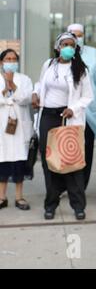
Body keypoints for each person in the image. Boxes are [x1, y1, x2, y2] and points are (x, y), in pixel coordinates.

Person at [33, 32, 93, 220]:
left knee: (71, 161)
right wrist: (35, 94)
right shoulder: (49, 65)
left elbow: (88, 96)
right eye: (65, 44)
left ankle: (78, 205)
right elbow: (40, 83)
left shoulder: (81, 69)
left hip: (68, 117)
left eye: (72, 45)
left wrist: (73, 109)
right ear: (58, 47)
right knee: (50, 161)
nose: (68, 47)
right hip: (48, 117)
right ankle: (51, 203)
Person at [67, 23, 96, 190]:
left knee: (87, 148)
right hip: (70, 110)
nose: (77, 37)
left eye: (80, 34)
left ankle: (82, 185)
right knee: (68, 147)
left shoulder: (92, 52)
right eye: (74, 34)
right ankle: (66, 185)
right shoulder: (65, 53)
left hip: (89, 109)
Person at [0, 49, 33, 210]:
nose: (11, 61)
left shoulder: (24, 79)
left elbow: (27, 98)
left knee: (19, 161)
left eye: (14, 59)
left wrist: (12, 85)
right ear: (1, 62)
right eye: (8, 59)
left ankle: (19, 197)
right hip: (2, 129)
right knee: (3, 161)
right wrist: (4, 94)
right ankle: (1, 197)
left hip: (19, 127)